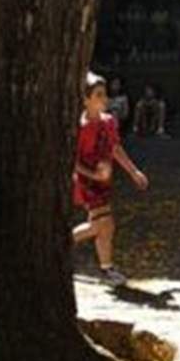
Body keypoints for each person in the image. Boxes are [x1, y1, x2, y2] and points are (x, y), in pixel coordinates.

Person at [73, 73, 149, 286]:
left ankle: (106, 268)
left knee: (104, 226)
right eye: (98, 95)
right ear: (86, 99)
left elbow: (115, 149)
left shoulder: (108, 122)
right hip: (87, 182)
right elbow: (71, 160)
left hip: (103, 180)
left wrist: (133, 171)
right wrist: (92, 175)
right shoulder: (80, 127)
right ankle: (62, 243)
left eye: (104, 94)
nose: (104, 99)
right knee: (104, 222)